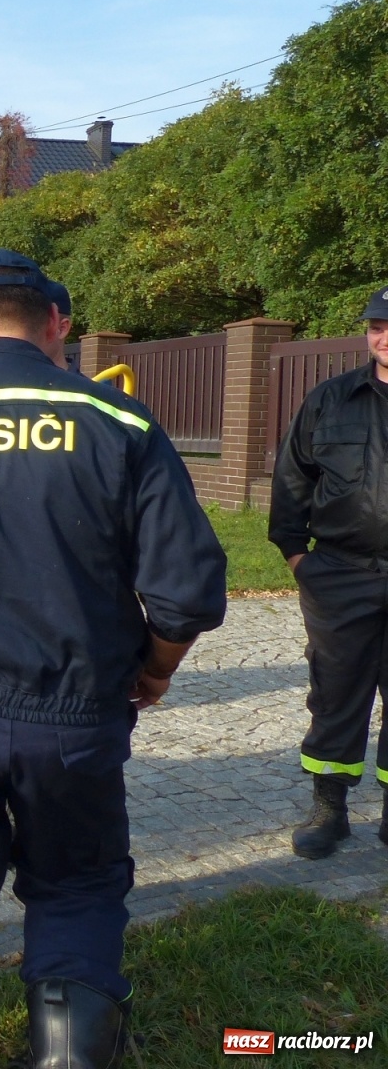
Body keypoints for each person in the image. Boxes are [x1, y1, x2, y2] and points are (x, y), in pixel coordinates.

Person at [0, 249, 226, 1069]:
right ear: (56, 323)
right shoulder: (121, 424)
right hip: (77, 712)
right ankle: (69, 1052)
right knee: (77, 884)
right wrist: (155, 666)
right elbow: (188, 591)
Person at [269, 286, 388, 860]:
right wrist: (300, 560)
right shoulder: (330, 399)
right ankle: (329, 809)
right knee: (336, 694)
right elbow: (292, 480)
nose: (384, 337)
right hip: (340, 573)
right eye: (376, 325)